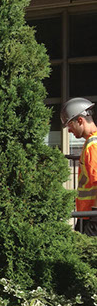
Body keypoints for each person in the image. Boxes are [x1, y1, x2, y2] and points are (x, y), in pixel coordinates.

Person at [61, 97, 97, 236]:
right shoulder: (91, 142)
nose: (69, 131)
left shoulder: (93, 146)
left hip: (91, 217)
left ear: (80, 120)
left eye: (70, 125)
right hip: (88, 215)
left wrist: (94, 218)